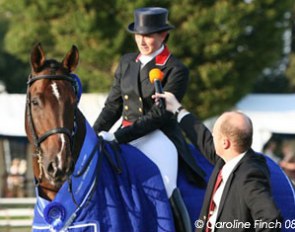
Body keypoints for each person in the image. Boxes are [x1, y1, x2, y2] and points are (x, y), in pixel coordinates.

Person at [93, 7, 205, 232]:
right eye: (138, 35)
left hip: (158, 137)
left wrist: (118, 136)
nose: (142, 41)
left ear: (163, 35)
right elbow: (113, 106)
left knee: (166, 184)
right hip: (122, 135)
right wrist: (92, 134)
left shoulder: (176, 68)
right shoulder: (126, 62)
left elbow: (160, 114)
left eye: (149, 35)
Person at [154, 92, 282, 232]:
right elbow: (203, 139)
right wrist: (177, 109)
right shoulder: (228, 158)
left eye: (215, 135)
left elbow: (270, 219)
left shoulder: (250, 174)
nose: (212, 138)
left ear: (225, 143)